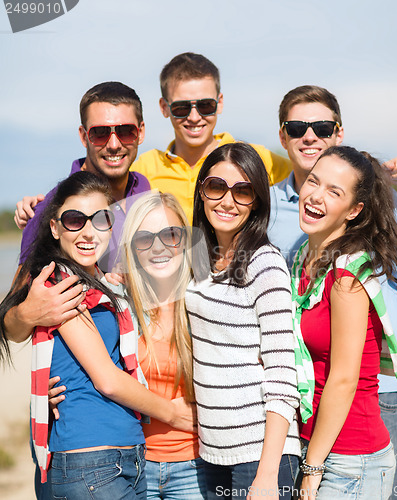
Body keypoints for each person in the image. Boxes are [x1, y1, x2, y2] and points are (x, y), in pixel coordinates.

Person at [267, 85, 397, 500]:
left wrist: (313, 467)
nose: (309, 135)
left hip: (364, 414)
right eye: (297, 126)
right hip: (308, 416)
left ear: (338, 132)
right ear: (281, 135)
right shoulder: (285, 227)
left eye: (321, 126)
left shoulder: (356, 257)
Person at [0, 172, 194, 500]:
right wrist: (176, 413)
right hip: (91, 459)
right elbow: (107, 379)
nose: (89, 232)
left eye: (100, 219)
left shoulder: (102, 284)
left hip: (119, 456)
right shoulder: (60, 287)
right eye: (75, 220)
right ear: (54, 227)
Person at [291, 145, 397, 499]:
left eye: (335, 191)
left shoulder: (349, 273)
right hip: (317, 444)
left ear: (354, 209)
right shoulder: (305, 256)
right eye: (313, 181)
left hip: (350, 460)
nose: (316, 196)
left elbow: (344, 379)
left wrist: (313, 467)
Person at [186, 142, 300, 500]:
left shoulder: (265, 264)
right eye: (217, 186)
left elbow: (282, 373)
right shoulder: (196, 257)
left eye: (243, 191)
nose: (227, 200)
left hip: (261, 456)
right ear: (202, 190)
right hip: (211, 452)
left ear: (258, 201)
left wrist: (267, 474)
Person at [6, 81, 150, 347]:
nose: (114, 144)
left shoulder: (145, 190)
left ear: (140, 132)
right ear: (84, 136)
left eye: (126, 131)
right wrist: (29, 313)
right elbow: (11, 326)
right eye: (100, 133)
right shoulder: (52, 208)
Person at [131, 52, 293, 221]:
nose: (194, 117)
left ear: (219, 103)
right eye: (181, 108)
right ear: (164, 107)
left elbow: (309, 180)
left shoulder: (258, 159)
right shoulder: (144, 170)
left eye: (205, 105)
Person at [119, 191, 207, 499]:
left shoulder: (205, 302)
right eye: (144, 238)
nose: (158, 247)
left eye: (170, 234)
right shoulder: (119, 307)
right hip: (131, 467)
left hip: (195, 467)